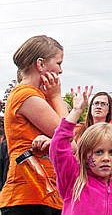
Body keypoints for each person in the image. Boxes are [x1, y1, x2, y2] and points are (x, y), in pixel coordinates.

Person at [0, 35, 68, 214]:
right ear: (40, 64)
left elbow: (71, 145)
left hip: (45, 194)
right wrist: (56, 96)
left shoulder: (38, 97)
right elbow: (66, 135)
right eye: (58, 63)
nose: (60, 71)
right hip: (28, 195)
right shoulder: (25, 95)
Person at [50, 85, 112, 215]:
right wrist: (76, 112)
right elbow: (58, 146)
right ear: (84, 154)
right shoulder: (74, 179)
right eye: (98, 152)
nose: (106, 158)